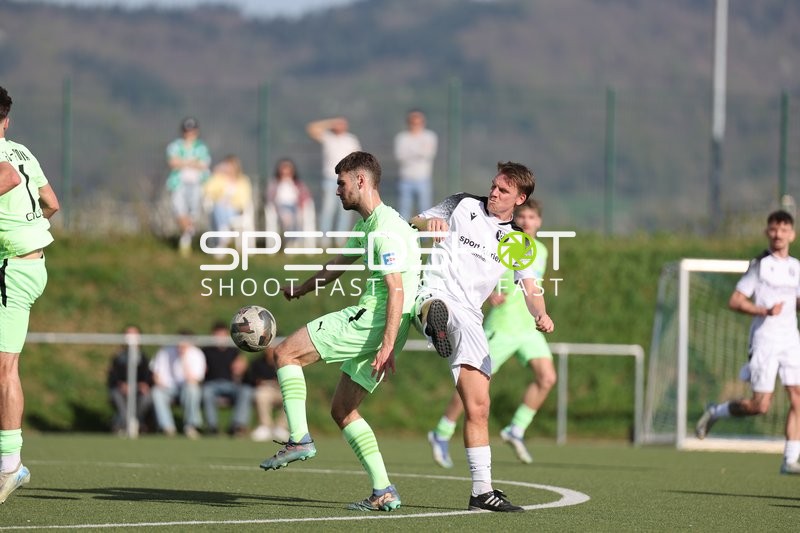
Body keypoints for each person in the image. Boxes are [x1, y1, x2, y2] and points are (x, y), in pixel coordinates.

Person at [259, 151, 421, 513]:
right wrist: (302, 288)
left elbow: (395, 289)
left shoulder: (384, 231)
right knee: (344, 410)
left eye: (341, 182)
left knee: (285, 353)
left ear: (361, 181)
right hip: (388, 325)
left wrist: (387, 342)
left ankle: (298, 438)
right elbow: (338, 265)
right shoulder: (370, 225)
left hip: (373, 319)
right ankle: (384, 490)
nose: (337, 190)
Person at [409, 161, 554, 512]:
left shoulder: (516, 242)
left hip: (472, 316)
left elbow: (530, 287)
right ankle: (430, 319)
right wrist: (431, 224)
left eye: (503, 190)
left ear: (519, 198)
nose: (494, 192)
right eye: (493, 185)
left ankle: (481, 491)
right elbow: (414, 221)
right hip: (437, 292)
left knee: (479, 406)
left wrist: (541, 313)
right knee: (439, 309)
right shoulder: (462, 204)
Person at [427, 198, 556, 468]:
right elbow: (481, 272)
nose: (526, 222)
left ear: (539, 222)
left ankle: (516, 429)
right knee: (474, 388)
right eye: (522, 217)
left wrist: (541, 313)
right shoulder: (503, 239)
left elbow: (532, 286)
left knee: (547, 377)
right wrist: (491, 296)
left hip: (527, 328)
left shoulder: (540, 251)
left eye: (532, 218)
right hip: (502, 327)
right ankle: (442, 431)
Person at [695, 210, 800, 475]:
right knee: (760, 406)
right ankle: (717, 411)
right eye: (774, 229)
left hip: (790, 339)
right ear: (768, 232)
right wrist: (763, 311)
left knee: (798, 397)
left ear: (792, 234)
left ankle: (789, 460)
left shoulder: (796, 268)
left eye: (784, 229)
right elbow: (736, 300)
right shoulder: (759, 265)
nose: (778, 234)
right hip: (765, 340)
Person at [0, 85, 60, 504]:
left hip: (14, 269)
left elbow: (4, 177)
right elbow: (51, 202)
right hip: (32, 262)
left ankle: (9, 464)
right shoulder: (21, 149)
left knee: (4, 369)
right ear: (8, 118)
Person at [306, 117, 361, 243]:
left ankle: (340, 239)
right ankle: (325, 239)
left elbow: (357, 159)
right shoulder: (328, 138)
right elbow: (311, 129)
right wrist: (330, 123)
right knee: (328, 209)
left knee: (345, 210)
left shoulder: (351, 140)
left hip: (347, 180)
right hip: (330, 178)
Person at [166, 117, 211, 256]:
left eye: (192, 131)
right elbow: (173, 163)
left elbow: (204, 164)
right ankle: (188, 232)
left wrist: (183, 162)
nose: (189, 134)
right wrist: (192, 163)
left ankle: (185, 240)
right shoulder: (175, 146)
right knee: (179, 210)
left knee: (193, 212)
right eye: (187, 131)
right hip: (179, 183)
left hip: (196, 184)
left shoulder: (201, 147)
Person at [150, 332, 207, 439]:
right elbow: (156, 374)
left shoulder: (196, 354)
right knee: (156, 392)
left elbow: (194, 380)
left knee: (192, 390)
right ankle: (168, 427)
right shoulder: (164, 352)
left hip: (186, 387)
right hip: (168, 388)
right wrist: (159, 382)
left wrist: (183, 357)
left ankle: (191, 426)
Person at [201, 321, 252, 436]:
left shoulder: (234, 351)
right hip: (211, 384)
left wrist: (242, 368)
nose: (220, 338)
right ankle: (212, 427)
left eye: (222, 334)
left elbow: (242, 370)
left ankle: (237, 426)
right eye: (217, 335)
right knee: (206, 391)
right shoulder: (205, 351)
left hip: (231, 385)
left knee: (246, 391)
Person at [107, 325, 153, 435]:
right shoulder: (118, 358)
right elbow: (113, 377)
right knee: (116, 395)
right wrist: (121, 385)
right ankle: (129, 424)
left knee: (147, 397)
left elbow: (147, 377)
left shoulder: (144, 358)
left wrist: (143, 385)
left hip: (138, 390)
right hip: (121, 390)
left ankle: (123, 423)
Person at [394, 109, 438, 220]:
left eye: (418, 122)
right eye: (413, 122)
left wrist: (411, 152)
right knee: (403, 212)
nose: (415, 125)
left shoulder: (429, 136)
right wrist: (418, 152)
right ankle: (404, 237)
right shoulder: (402, 137)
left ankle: (424, 238)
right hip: (405, 179)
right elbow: (400, 156)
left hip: (423, 179)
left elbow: (428, 154)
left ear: (423, 122)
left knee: (425, 213)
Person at [203, 154, 253, 248]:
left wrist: (231, 203)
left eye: (231, 165)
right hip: (219, 208)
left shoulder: (243, 180)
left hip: (236, 210)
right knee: (219, 207)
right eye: (226, 165)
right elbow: (207, 190)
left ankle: (222, 238)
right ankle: (224, 236)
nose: (228, 168)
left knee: (222, 208)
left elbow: (244, 199)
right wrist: (215, 173)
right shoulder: (218, 178)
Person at [264, 158, 314, 244]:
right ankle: (290, 242)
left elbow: (306, 196)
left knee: (298, 218)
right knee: (288, 219)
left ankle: (296, 241)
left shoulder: (298, 184)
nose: (286, 171)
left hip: (295, 206)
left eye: (288, 168)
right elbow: (269, 197)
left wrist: (301, 205)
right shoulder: (275, 184)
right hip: (281, 207)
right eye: (284, 168)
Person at [245, 346, 289, 443]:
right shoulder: (257, 362)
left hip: (280, 390)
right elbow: (251, 379)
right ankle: (265, 427)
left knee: (292, 398)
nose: (271, 350)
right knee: (260, 394)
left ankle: (280, 428)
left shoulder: (284, 362)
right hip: (265, 390)